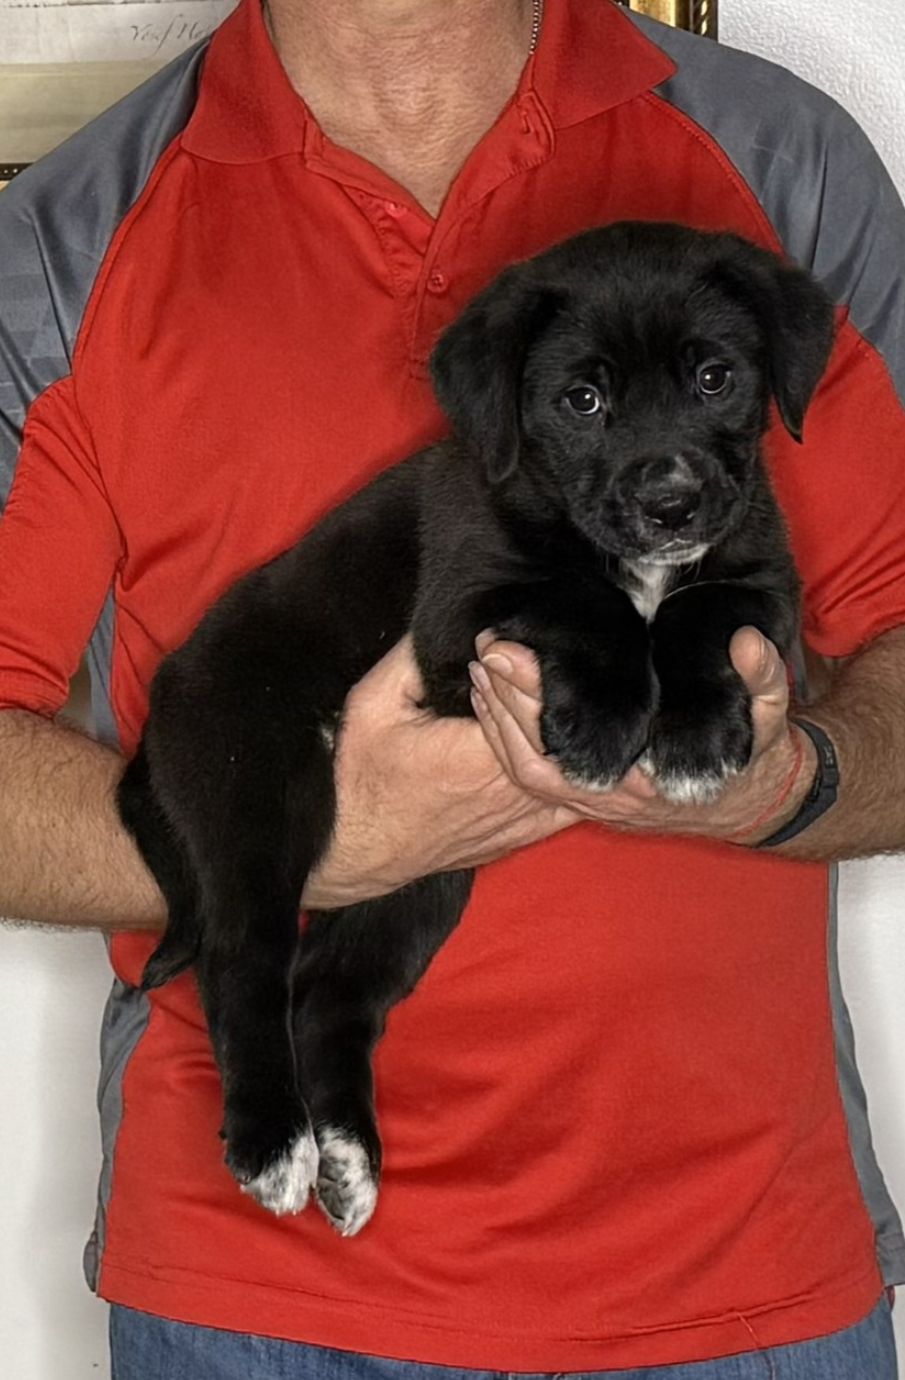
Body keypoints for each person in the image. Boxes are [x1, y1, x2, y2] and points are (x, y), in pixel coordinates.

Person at [0, 0, 903, 1374]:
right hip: (260, 1303)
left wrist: (791, 785)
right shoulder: (67, 244)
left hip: (736, 1273)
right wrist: (320, 843)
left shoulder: (776, 165)